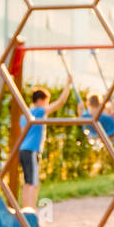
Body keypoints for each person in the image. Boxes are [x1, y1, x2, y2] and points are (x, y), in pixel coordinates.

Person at [19, 79, 72, 209]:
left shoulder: (24, 115)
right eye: (46, 101)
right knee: (33, 183)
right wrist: (68, 84)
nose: (47, 105)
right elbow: (61, 102)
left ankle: (26, 209)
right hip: (32, 150)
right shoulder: (38, 111)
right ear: (41, 100)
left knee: (27, 182)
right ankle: (30, 210)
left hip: (23, 150)